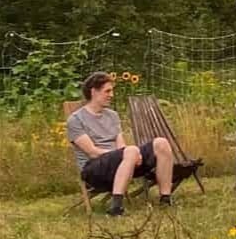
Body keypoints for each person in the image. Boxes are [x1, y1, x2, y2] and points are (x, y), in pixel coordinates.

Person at [66, 71, 174, 215]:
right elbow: (92, 152)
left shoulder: (113, 116)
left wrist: (132, 154)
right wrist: (128, 153)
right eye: (107, 91)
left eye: (112, 91)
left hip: (121, 163)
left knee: (161, 143)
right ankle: (116, 207)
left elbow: (121, 145)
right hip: (94, 169)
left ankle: (165, 199)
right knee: (131, 151)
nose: (112, 95)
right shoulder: (76, 119)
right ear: (93, 92)